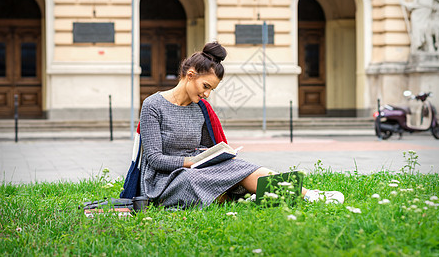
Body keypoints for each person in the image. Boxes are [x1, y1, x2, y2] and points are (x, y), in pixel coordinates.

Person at [139, 42, 344, 208]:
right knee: (194, 180)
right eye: (206, 86)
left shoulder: (200, 108)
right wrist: (192, 162)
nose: (207, 94)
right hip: (164, 180)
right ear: (190, 75)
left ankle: (309, 195)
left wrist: (211, 156)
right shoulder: (153, 105)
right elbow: (155, 159)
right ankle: (247, 198)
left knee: (241, 167)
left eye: (212, 89)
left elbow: (204, 148)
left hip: (196, 169)